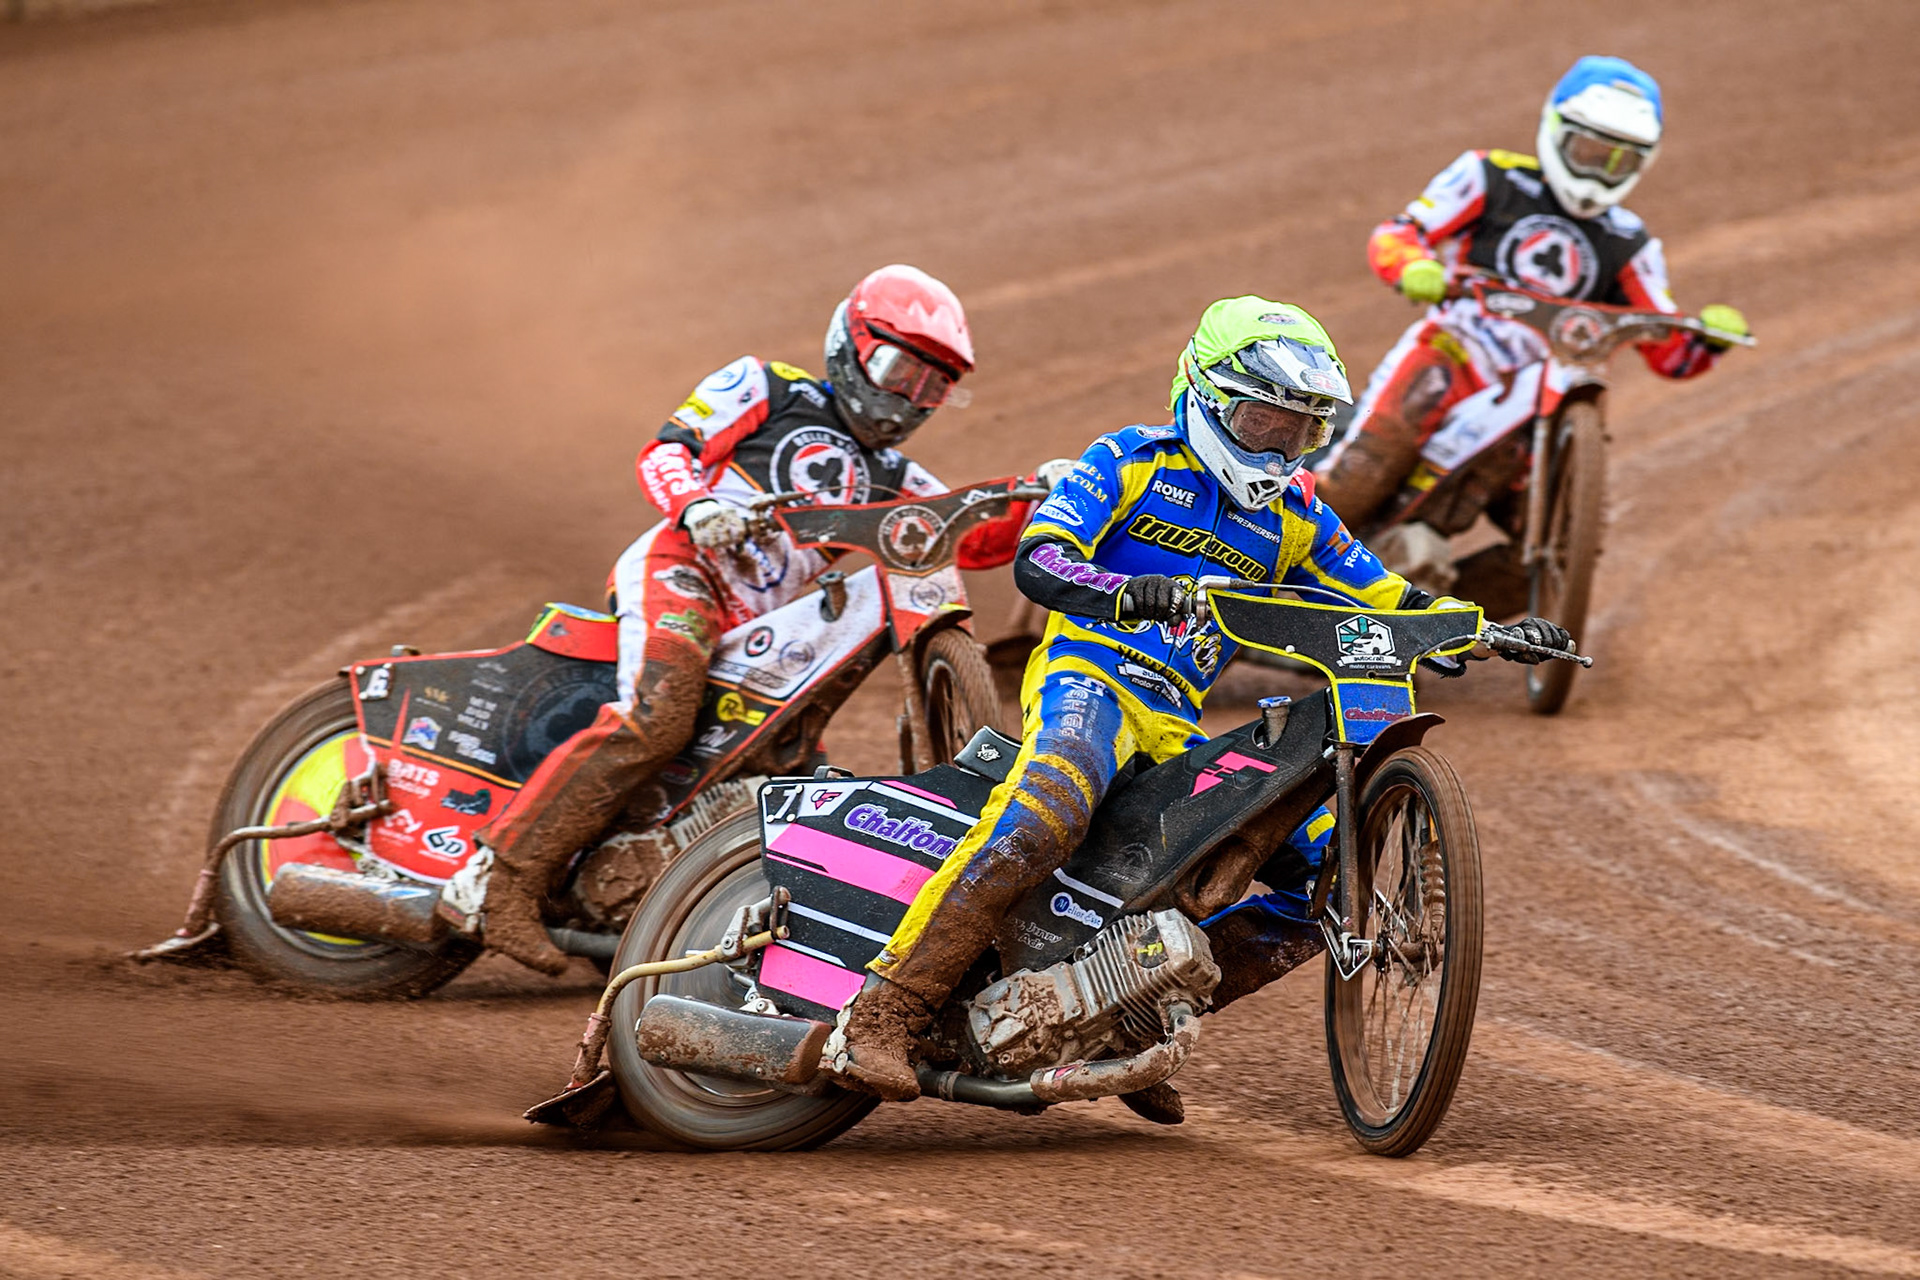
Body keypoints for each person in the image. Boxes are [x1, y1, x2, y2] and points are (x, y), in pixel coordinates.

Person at [831, 296, 1570, 1112]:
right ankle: (884, 1011)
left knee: (1321, 877)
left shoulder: (1297, 513)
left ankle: (1125, 1019)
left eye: (1301, 430)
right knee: (1051, 807)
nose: (1281, 446)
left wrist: (1490, 632)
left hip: (1176, 719)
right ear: (1208, 396)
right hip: (1092, 680)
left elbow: (1387, 596)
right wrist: (1130, 589)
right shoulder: (1129, 459)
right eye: (1264, 422)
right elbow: (1040, 560)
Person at [451, 265, 1044, 975]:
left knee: (794, 774)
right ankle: (497, 880)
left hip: (767, 631)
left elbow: (965, 535)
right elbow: (668, 449)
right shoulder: (766, 386)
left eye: (932, 386)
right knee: (661, 714)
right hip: (683, 570)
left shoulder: (897, 479)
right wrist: (699, 507)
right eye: (896, 369)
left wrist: (1049, 494)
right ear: (850, 346)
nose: (907, 399)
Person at [1315, 56, 1749, 591]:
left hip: (1545, 399)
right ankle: (1248, 574)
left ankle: (1431, 624)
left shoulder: (1631, 243)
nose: (1597, 173)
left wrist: (1707, 338)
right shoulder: (1491, 177)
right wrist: (1414, 266)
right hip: (1456, 355)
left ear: (1642, 164)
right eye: (1589, 152)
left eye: (1617, 161)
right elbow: (1399, 232)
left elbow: (1666, 347)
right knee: (1359, 483)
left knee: (1559, 553)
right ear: (1557, 131)